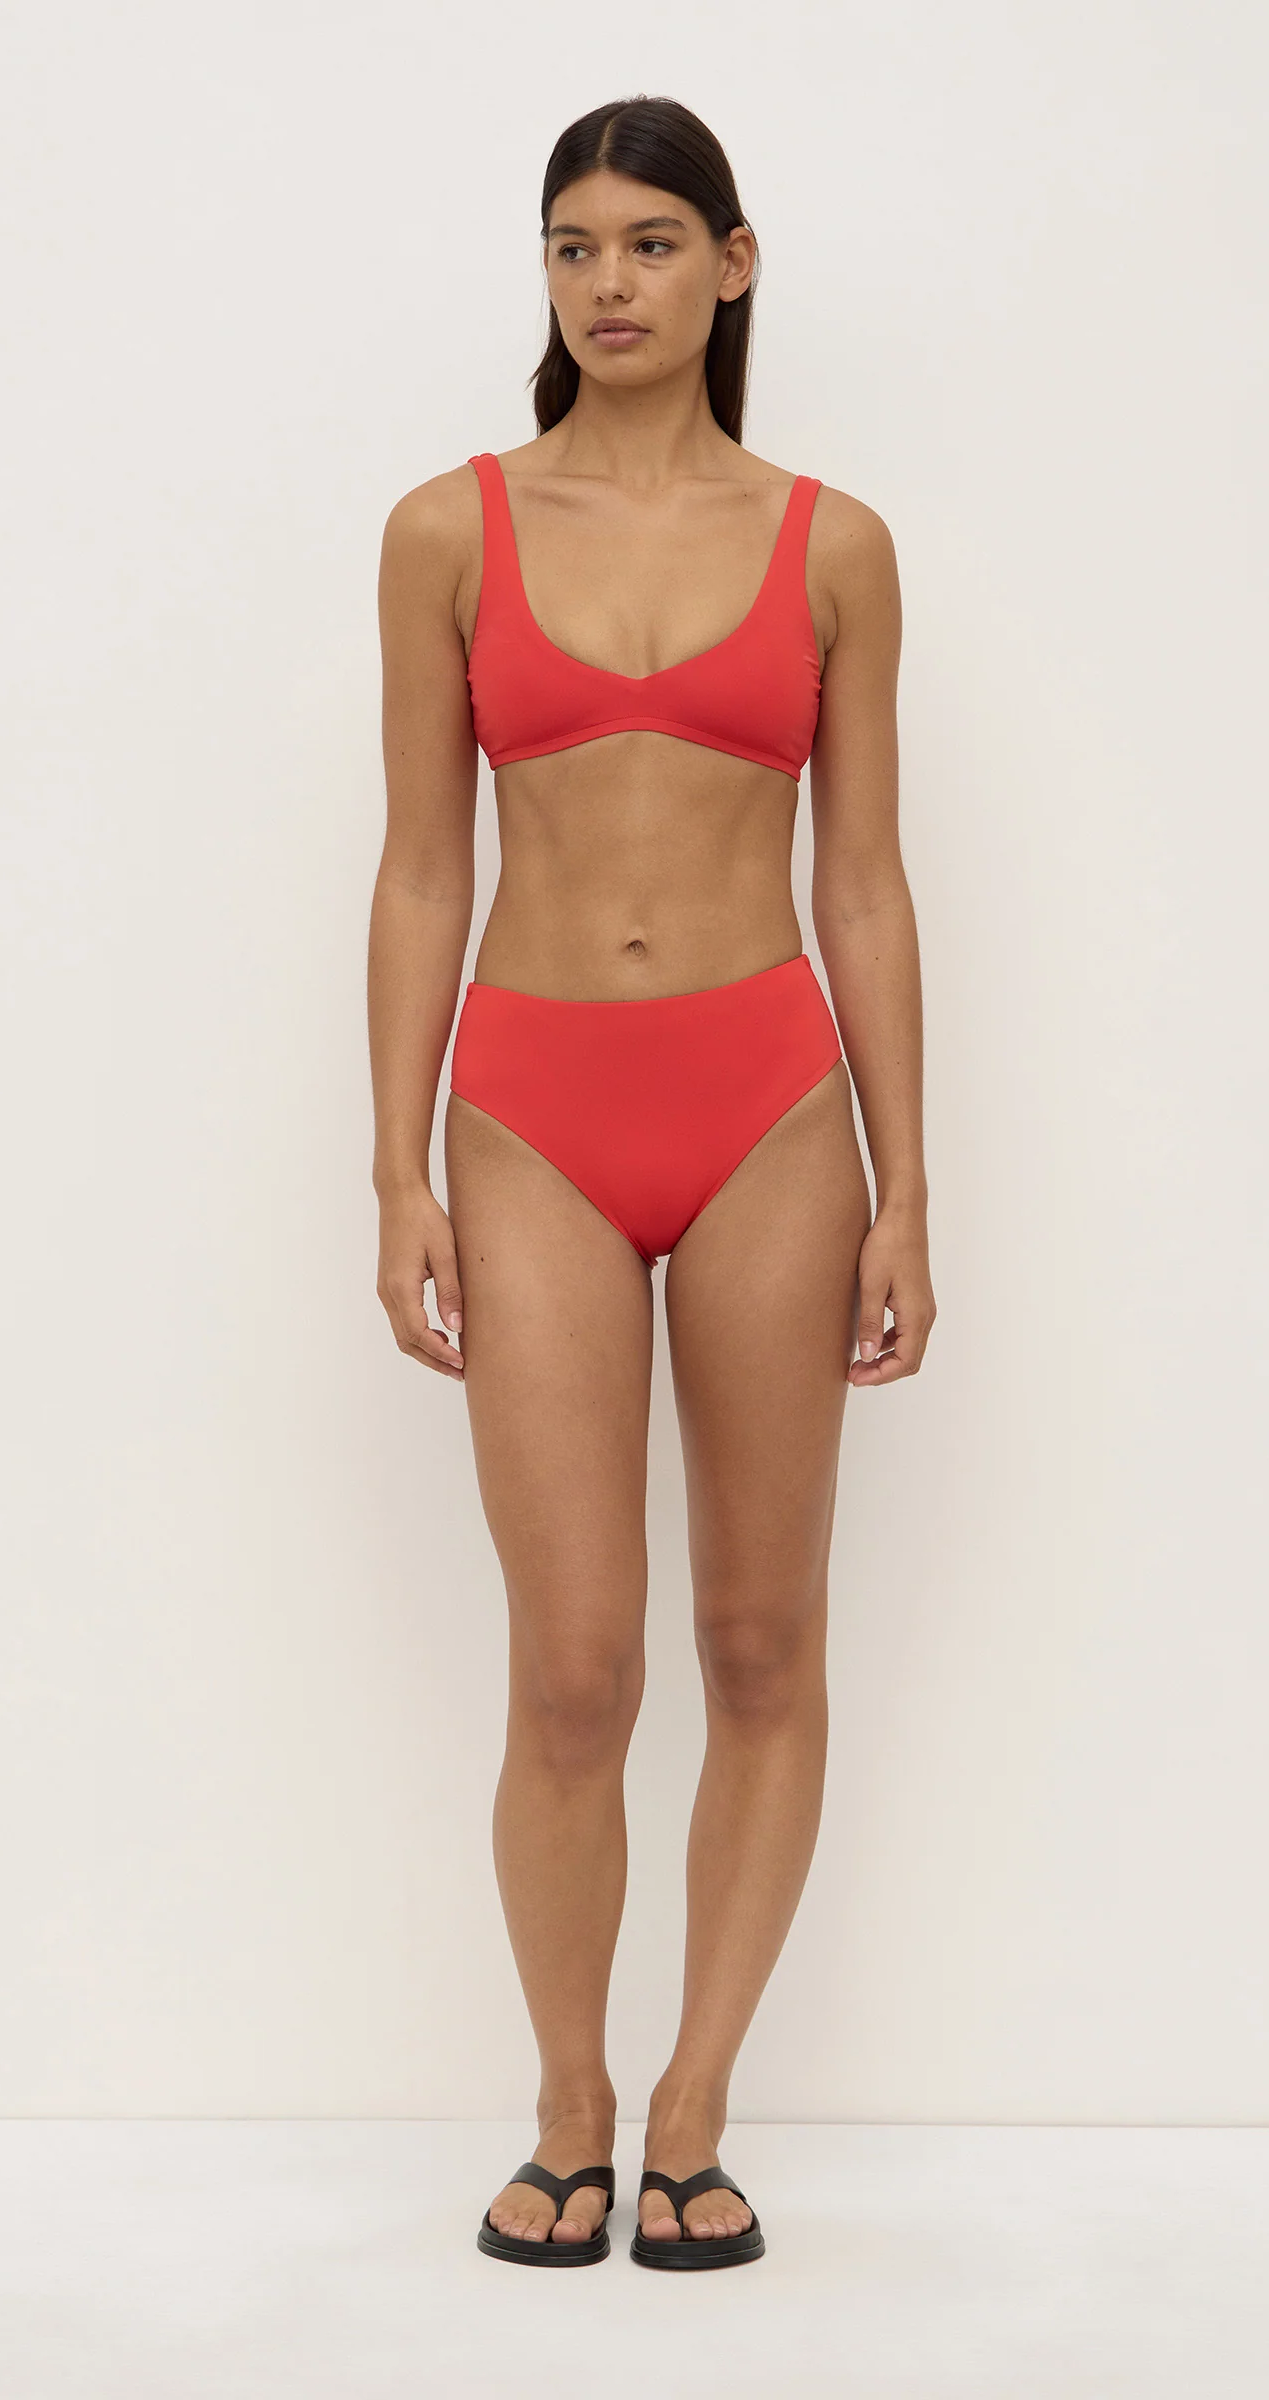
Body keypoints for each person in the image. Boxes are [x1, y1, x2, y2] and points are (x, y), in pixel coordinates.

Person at [367, 93, 934, 2271]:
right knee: (577, 1665)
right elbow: (424, 870)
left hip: (771, 1106)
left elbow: (861, 882)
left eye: (648, 243)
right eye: (572, 246)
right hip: (527, 1110)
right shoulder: (446, 529)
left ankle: (693, 2103)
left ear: (732, 263)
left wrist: (906, 1187)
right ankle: (567, 2101)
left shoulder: (832, 544)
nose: (606, 283)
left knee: (760, 1637)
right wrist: (395, 1166)